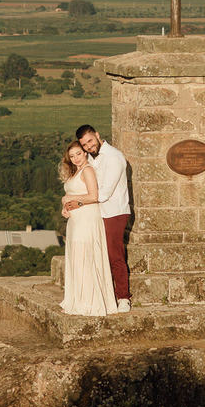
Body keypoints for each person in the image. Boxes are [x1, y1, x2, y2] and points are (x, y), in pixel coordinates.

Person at [68, 124, 131, 312]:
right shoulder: (93, 159)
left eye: (90, 141)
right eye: (84, 145)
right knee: (98, 255)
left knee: (114, 255)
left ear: (97, 135)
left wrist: (76, 201)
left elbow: (102, 194)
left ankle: (123, 298)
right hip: (97, 213)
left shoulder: (114, 158)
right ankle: (103, 295)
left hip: (114, 212)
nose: (88, 146)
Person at [58, 140, 119, 316]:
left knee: (86, 256)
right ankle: (76, 299)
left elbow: (93, 196)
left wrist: (72, 199)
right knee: (77, 257)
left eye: (78, 153)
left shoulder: (88, 170)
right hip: (76, 219)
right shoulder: (75, 172)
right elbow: (73, 196)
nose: (76, 158)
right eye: (72, 156)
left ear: (85, 153)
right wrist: (65, 206)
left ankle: (89, 302)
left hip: (87, 218)